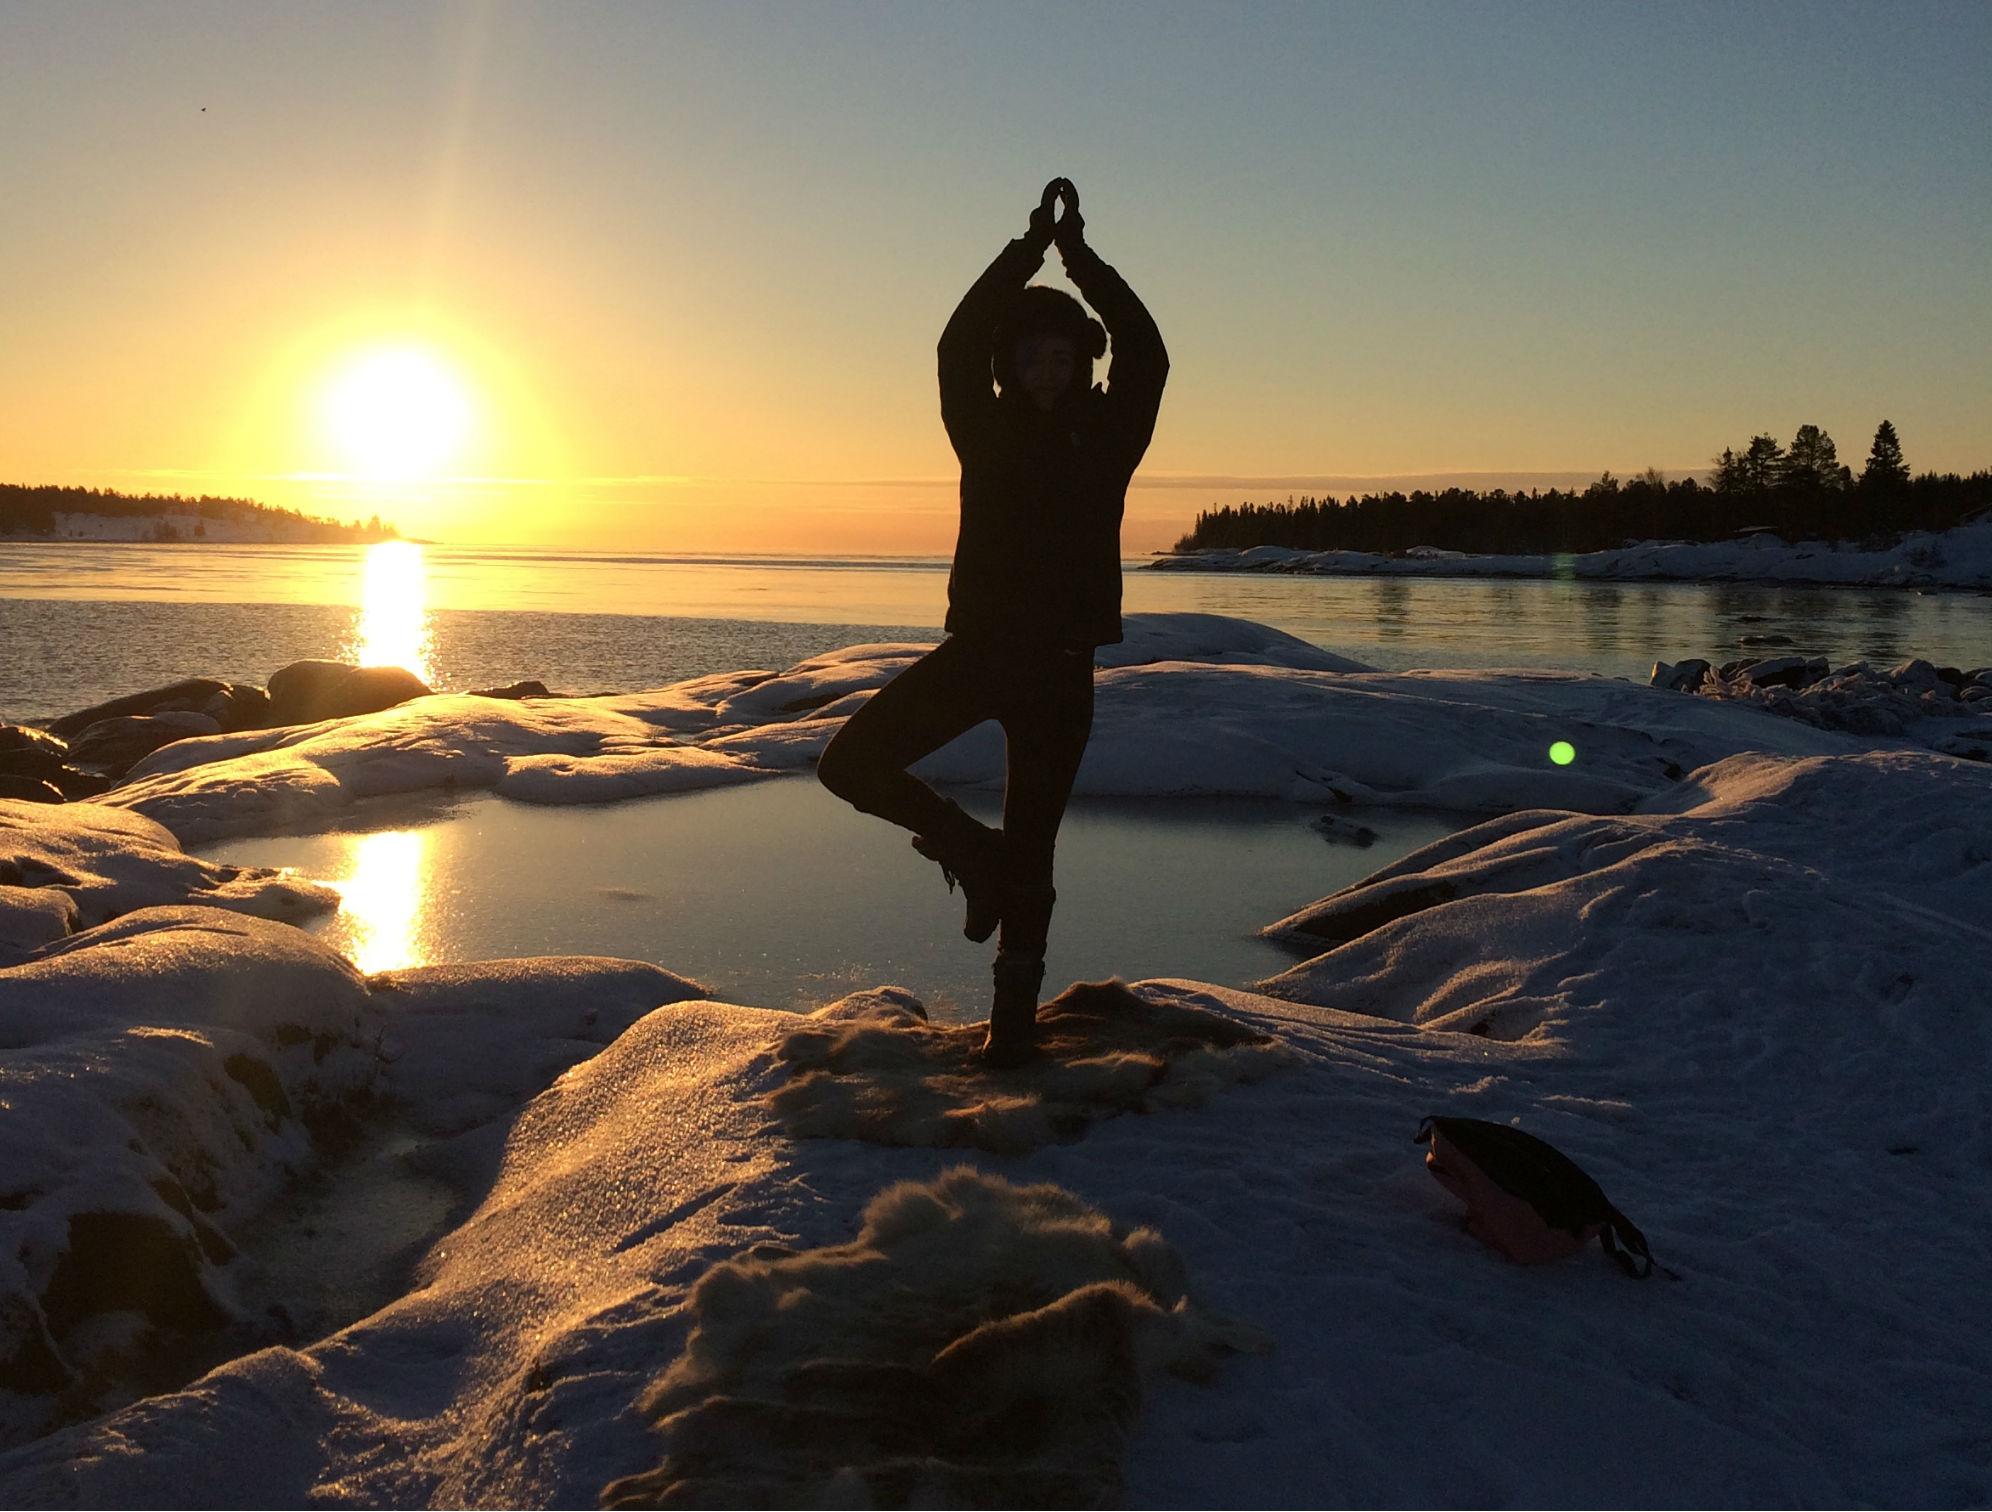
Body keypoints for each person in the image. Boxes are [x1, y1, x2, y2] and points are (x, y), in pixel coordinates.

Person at [817, 177, 1168, 1065]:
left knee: (1037, 846)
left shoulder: (1113, 432)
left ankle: (1011, 1030)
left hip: (1061, 668)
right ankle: (974, 854)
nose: (1047, 368)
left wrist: (1079, 257)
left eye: (1062, 356)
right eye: (1031, 356)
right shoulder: (982, 428)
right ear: (1011, 367)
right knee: (850, 763)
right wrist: (1027, 251)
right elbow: (956, 341)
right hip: (980, 654)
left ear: (1082, 364)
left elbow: (1147, 350)